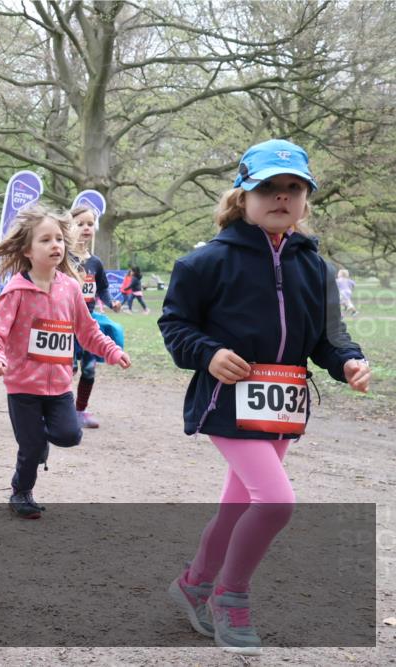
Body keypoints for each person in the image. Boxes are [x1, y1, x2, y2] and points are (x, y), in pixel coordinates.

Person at [158, 139, 371, 655]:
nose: (281, 197)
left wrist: (347, 360)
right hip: (225, 402)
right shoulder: (204, 263)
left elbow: (327, 336)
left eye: (293, 188)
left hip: (281, 407)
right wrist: (208, 353)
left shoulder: (315, 268)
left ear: (306, 199)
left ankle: (192, 585)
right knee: (275, 501)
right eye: (267, 188)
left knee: (238, 505)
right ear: (241, 197)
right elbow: (175, 325)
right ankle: (229, 597)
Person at [0, 205, 131, 519]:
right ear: (27, 250)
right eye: (46, 240)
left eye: (59, 240)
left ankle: (42, 442)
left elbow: (88, 331)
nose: (56, 246)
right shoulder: (16, 291)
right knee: (30, 446)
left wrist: (112, 351)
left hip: (60, 385)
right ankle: (21, 492)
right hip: (23, 386)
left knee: (69, 435)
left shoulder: (70, 288)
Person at [70, 205, 113, 428]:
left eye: (90, 224)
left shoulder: (95, 262)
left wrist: (111, 301)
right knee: (67, 369)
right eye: (80, 224)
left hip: (88, 324)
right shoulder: (62, 257)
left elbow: (102, 288)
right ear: (70, 226)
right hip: (65, 325)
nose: (86, 228)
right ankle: (58, 410)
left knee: (88, 368)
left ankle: (80, 411)